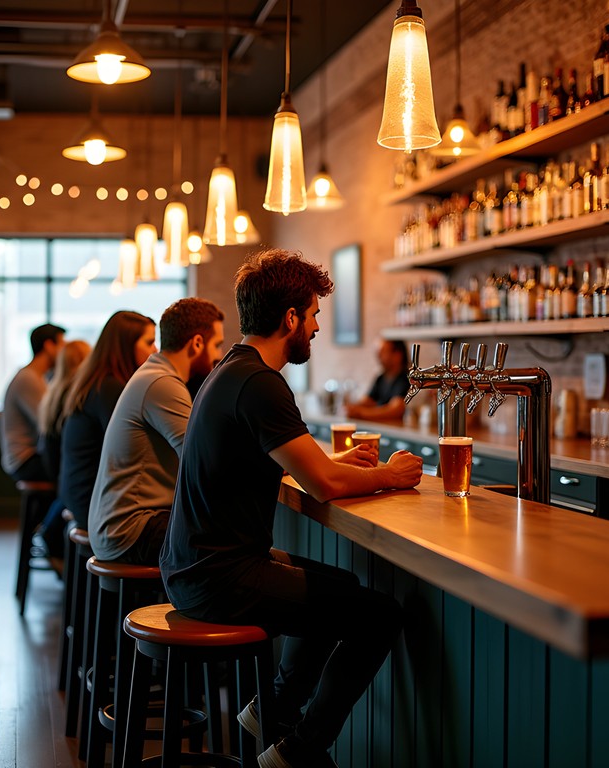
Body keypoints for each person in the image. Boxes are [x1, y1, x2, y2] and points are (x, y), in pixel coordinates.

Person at [159, 250, 424, 768]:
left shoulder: (232, 369)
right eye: (314, 314)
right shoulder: (261, 383)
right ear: (291, 319)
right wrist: (388, 475)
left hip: (196, 565)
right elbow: (322, 484)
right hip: (218, 577)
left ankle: (271, 711)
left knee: (341, 591)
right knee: (379, 616)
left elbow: (296, 464)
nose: (318, 326)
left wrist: (342, 462)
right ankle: (299, 751)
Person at [89, 298, 225, 565]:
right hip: (130, 529)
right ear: (197, 343)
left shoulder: (155, 374)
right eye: (217, 345)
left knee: (223, 539)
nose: (220, 355)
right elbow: (200, 462)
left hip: (120, 525)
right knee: (229, 547)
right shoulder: (163, 382)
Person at [58, 310, 157, 533]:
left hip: (80, 495)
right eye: (149, 342)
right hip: (93, 503)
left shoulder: (99, 381)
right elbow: (131, 449)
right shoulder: (110, 388)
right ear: (125, 346)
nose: (156, 351)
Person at [33, 339, 91, 562]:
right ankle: (50, 535)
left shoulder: (54, 389)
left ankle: (50, 533)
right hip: (62, 470)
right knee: (76, 488)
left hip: (53, 464)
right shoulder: (76, 394)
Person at [0, 323, 66, 483]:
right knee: (75, 473)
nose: (64, 353)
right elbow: (50, 423)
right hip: (24, 461)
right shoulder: (28, 379)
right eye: (61, 345)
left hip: (30, 457)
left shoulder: (38, 377)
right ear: (49, 346)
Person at [344, 339, 410, 422]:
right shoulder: (381, 378)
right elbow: (368, 400)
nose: (378, 356)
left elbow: (396, 410)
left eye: (383, 352)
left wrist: (362, 413)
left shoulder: (406, 379)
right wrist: (352, 408)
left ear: (397, 355)